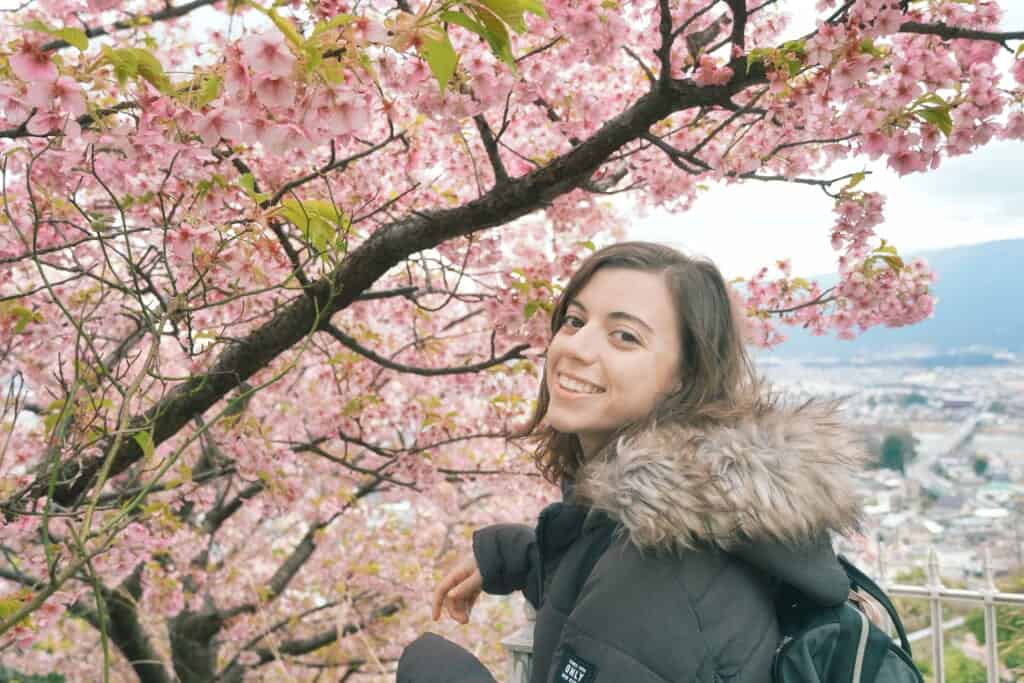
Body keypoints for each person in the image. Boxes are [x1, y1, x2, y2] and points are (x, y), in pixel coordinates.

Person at [398, 241, 868, 683]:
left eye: (624, 336)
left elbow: (631, 611)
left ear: (684, 377)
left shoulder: (659, 565)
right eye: (575, 321)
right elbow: (602, 607)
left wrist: (431, 668)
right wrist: (510, 557)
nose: (577, 348)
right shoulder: (682, 517)